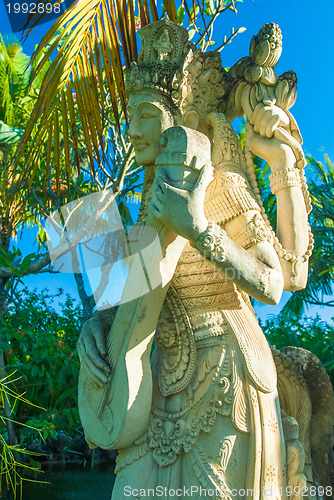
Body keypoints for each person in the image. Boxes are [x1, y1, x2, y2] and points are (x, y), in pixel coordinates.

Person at [77, 20, 312, 499]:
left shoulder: (217, 183)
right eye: (129, 116)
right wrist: (96, 329)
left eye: (145, 115)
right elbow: (136, 299)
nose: (132, 130)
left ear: (174, 119)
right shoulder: (146, 204)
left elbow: (273, 282)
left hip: (225, 380)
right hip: (151, 382)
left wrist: (199, 229)